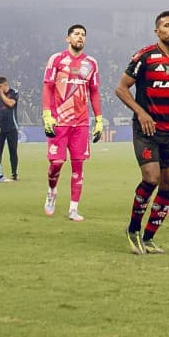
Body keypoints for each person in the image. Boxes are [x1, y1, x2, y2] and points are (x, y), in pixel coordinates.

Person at [116, 11, 169, 254]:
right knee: (151, 178)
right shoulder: (145, 57)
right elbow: (121, 89)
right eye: (167, 25)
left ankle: (150, 236)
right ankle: (133, 230)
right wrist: (141, 113)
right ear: (157, 31)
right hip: (147, 130)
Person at [42, 24, 103, 221]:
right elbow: (48, 87)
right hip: (59, 121)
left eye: (83, 34)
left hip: (81, 123)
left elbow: (94, 92)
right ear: (68, 39)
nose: (80, 37)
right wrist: (47, 114)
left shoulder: (91, 63)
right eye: (76, 34)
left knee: (78, 165)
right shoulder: (57, 59)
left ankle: (73, 208)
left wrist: (99, 120)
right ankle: (52, 192)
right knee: (57, 163)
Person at [0, 76, 20, 181]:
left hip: (12, 127)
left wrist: (1, 94)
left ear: (5, 84)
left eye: (0, 86)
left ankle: (14, 173)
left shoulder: (14, 92)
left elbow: (11, 103)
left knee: (13, 151)